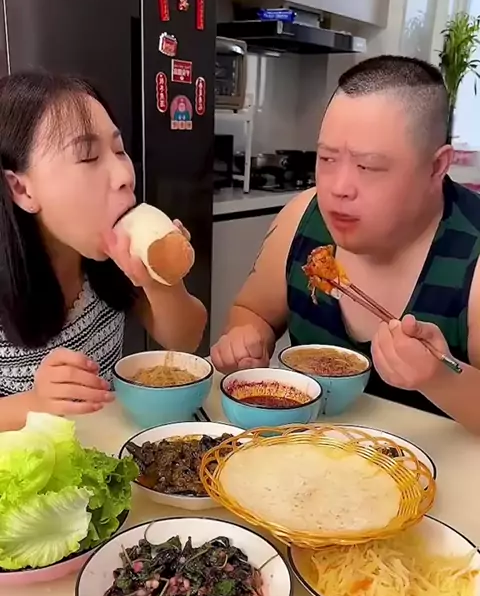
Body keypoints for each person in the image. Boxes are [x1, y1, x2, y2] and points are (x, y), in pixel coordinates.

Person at [211, 55, 480, 433]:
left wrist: (440, 378)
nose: (338, 188)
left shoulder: (472, 255)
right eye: (327, 158)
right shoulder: (301, 219)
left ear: (437, 166)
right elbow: (252, 311)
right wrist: (247, 339)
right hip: (306, 454)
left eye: (367, 166)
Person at [0, 71, 207, 431]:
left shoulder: (106, 260)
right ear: (21, 189)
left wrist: (160, 281)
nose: (125, 175)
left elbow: (185, 341)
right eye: (88, 156)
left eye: (119, 150)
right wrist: (35, 403)